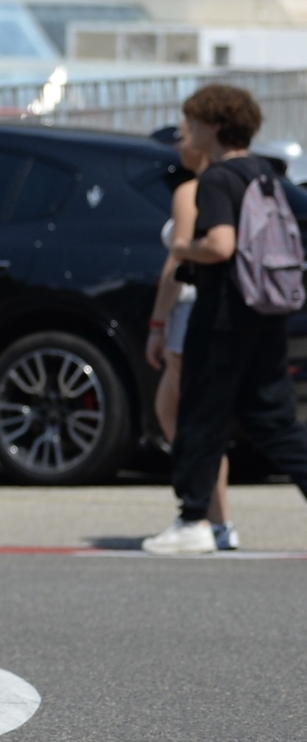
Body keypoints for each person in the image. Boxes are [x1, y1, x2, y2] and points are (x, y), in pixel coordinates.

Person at [141, 84, 307, 554]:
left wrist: (183, 249)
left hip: (224, 314)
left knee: (200, 416)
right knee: (274, 420)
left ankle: (193, 521)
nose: (186, 133)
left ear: (212, 128)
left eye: (191, 124)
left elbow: (221, 245)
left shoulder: (217, 180)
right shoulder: (265, 174)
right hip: (267, 309)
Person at [144, 127, 234, 548]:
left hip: (187, 312)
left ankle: (202, 519)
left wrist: (157, 325)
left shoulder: (191, 191)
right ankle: (214, 519)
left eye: (184, 134)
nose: (179, 144)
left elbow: (175, 260)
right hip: (225, 312)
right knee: (183, 417)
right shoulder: (234, 184)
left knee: (192, 423)